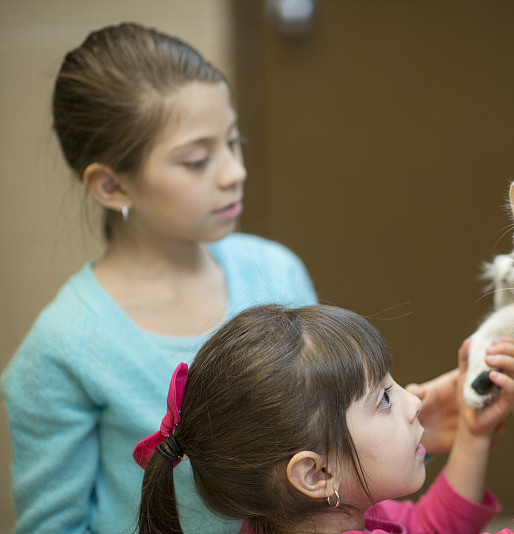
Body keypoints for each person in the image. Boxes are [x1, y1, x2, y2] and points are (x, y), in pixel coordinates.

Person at [0, 23, 317, 534]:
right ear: (111, 185)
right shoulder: (62, 349)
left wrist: (411, 426)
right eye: (197, 160)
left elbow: (329, 442)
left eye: (234, 141)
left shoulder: (276, 271)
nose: (234, 171)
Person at [135, 303, 514, 534]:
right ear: (316, 473)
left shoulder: (306, 519)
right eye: (384, 400)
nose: (412, 399)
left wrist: (472, 435)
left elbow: (425, 530)